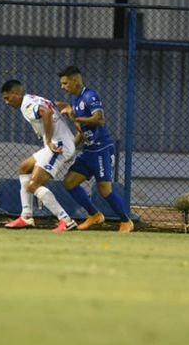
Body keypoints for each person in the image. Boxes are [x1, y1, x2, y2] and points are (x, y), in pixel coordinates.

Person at [57, 66, 134, 233]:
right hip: (88, 151)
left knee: (104, 189)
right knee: (69, 182)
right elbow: (82, 131)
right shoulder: (75, 101)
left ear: (75, 80)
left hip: (101, 149)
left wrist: (73, 117)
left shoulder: (90, 96)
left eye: (65, 83)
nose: (62, 87)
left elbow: (100, 119)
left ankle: (126, 221)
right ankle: (94, 215)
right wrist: (70, 148)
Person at [1, 79, 78, 233]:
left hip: (58, 146)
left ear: (17, 94)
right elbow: (56, 105)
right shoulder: (34, 98)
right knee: (24, 168)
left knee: (33, 185)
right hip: (59, 144)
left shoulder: (28, 105)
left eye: (8, 98)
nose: (6, 102)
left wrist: (48, 141)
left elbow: (47, 112)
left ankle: (66, 220)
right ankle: (26, 216)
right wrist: (68, 107)